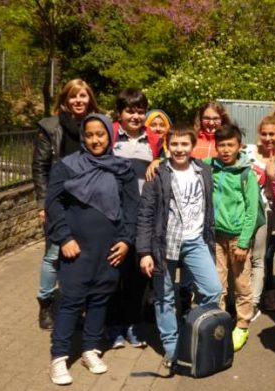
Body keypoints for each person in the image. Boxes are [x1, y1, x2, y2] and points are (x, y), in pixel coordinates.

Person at [46, 113, 139, 385]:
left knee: (100, 298)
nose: (95, 139)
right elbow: (53, 205)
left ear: (110, 135)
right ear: (83, 137)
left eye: (101, 134)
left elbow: (131, 207)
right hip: (76, 246)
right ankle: (59, 357)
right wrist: (64, 238)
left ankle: (90, 349)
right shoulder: (67, 166)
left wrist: (125, 240)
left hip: (110, 246)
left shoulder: (121, 168)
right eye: (90, 135)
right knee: (72, 300)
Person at [136, 127, 222, 375]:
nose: (179, 149)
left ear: (192, 145)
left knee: (212, 289)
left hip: (196, 240)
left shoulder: (203, 170)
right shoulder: (159, 173)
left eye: (185, 144)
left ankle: (193, 331)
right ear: (166, 145)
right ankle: (172, 348)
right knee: (164, 297)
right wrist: (144, 252)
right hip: (165, 244)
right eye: (174, 144)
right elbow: (145, 214)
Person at [32, 78, 100, 330]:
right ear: (64, 100)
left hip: (88, 200)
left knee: (85, 254)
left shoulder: (96, 125)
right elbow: (40, 168)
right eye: (73, 96)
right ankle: (46, 303)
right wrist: (42, 204)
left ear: (89, 99)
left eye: (83, 96)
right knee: (53, 254)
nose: (78, 101)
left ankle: (80, 305)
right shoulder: (50, 126)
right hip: (58, 199)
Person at [107, 88, 158, 350]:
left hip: (142, 218)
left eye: (140, 111)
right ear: (120, 113)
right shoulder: (111, 136)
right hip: (114, 216)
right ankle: (114, 325)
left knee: (139, 276)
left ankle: (132, 323)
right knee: (115, 273)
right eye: (130, 111)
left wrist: (158, 160)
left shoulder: (153, 141)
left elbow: (163, 166)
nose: (136, 116)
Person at [211, 124, 260, 352]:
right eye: (221, 145)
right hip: (215, 235)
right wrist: (158, 161)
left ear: (239, 146)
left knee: (241, 283)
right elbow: (184, 161)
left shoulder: (245, 173)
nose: (225, 149)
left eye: (230, 144)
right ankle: (219, 320)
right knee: (217, 283)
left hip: (237, 237)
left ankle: (242, 323)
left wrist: (243, 242)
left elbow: (252, 210)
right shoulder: (210, 167)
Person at [243, 116, 275, 315]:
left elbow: (272, 195)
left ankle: (253, 303)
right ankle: (239, 298)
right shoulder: (248, 151)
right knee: (241, 255)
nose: (268, 138)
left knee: (258, 257)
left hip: (266, 212)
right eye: (264, 133)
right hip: (243, 211)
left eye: (272, 134)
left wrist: (271, 176)